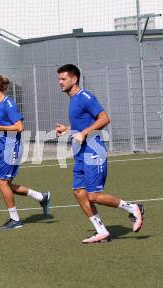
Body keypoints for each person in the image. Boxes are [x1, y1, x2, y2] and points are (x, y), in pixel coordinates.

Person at [56, 64, 144, 243]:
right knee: (79, 192)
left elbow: (104, 118)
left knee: (93, 195)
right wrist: (68, 129)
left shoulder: (86, 97)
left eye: (63, 79)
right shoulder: (73, 100)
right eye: (59, 79)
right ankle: (101, 231)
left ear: (74, 79)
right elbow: (82, 124)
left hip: (93, 151)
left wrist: (84, 133)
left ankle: (133, 208)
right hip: (80, 153)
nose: (60, 82)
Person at [0, 74, 50, 230]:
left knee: (2, 182)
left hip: (12, 147)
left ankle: (15, 219)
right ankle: (41, 197)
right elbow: (2, 126)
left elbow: (19, 127)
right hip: (4, 147)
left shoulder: (8, 104)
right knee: (7, 184)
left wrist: (0, 128)